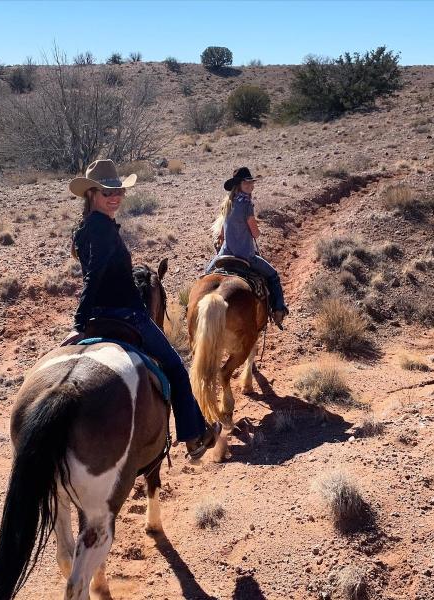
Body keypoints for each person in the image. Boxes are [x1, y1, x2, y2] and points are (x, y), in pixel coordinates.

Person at [61, 159, 220, 460]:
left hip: (98, 316)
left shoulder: (82, 230)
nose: (115, 196)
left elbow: (95, 276)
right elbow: (94, 276)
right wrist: (79, 322)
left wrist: (85, 320)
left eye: (118, 190)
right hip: (126, 314)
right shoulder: (104, 229)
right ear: (91, 193)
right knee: (175, 367)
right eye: (107, 191)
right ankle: (194, 436)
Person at [207, 167, 289, 327]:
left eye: (251, 182)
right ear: (239, 185)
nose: (251, 185)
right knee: (273, 276)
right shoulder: (246, 205)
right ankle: (278, 311)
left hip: (224, 254)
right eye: (247, 182)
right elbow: (255, 232)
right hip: (245, 256)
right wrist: (255, 231)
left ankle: (191, 307)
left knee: (206, 275)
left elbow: (222, 232)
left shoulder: (228, 204)